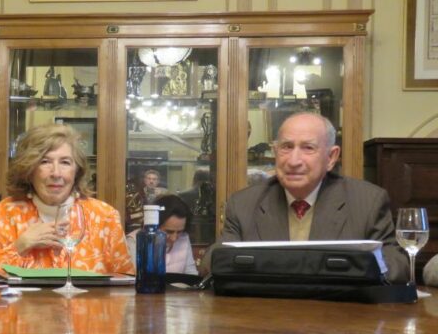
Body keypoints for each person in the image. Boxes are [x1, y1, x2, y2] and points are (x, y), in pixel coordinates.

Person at [201, 112, 409, 283]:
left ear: (331, 157)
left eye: (308, 148)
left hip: (340, 320)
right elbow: (211, 263)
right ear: (275, 152)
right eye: (286, 147)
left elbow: (397, 266)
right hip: (265, 319)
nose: (293, 161)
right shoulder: (244, 204)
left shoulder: (367, 202)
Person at [0, 124, 134, 276]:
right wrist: (20, 246)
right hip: (23, 305)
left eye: (65, 162)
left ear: (76, 171)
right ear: (29, 170)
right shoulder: (4, 213)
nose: (56, 173)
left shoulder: (105, 215)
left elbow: (125, 278)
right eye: (45, 162)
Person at [125, 195, 198, 276]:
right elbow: (131, 280)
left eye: (179, 231)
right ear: (154, 224)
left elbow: (191, 275)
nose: (174, 238)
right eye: (169, 231)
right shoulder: (134, 241)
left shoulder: (184, 238)